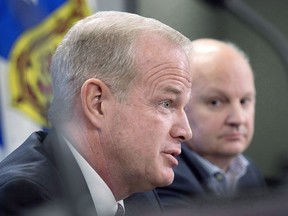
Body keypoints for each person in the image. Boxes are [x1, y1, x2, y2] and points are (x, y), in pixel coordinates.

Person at [0, 11, 193, 216]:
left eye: (184, 108)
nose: (185, 131)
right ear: (97, 103)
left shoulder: (140, 194)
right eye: (166, 104)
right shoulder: (25, 197)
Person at [156, 38, 267, 211]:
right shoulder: (165, 177)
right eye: (215, 102)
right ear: (180, 105)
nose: (238, 119)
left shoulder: (248, 171)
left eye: (245, 101)